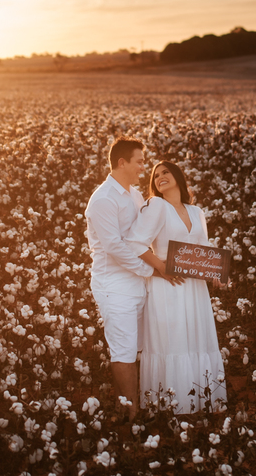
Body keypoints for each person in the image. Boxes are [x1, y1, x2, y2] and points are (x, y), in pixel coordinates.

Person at [127, 160, 227, 414]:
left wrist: (217, 273)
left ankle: (200, 405)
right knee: (173, 344)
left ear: (178, 177)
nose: (160, 177)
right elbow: (135, 243)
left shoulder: (197, 212)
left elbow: (203, 252)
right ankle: (172, 409)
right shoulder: (157, 206)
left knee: (195, 342)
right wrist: (160, 267)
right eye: (155, 175)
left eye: (165, 172)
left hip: (195, 290)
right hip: (167, 286)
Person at [84, 138, 170, 421]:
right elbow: (115, 246)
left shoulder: (132, 194)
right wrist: (152, 269)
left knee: (141, 347)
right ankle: (131, 411)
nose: (143, 168)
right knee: (123, 350)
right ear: (122, 163)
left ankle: (141, 403)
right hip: (114, 285)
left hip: (138, 283)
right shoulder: (103, 199)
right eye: (139, 162)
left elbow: (140, 237)